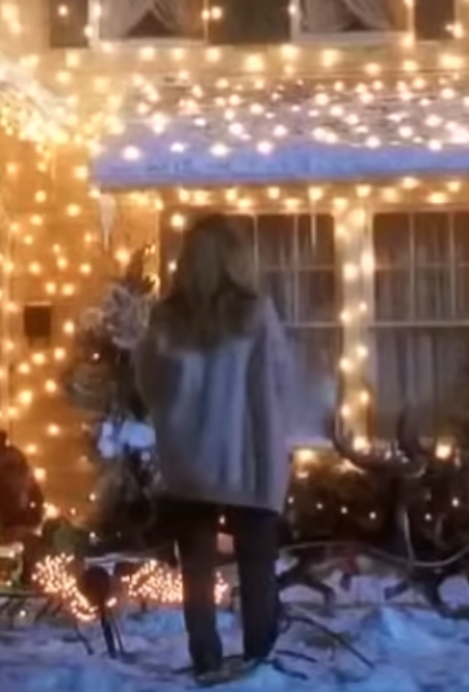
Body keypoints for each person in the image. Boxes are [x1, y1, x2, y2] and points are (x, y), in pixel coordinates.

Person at [134, 215, 296, 683]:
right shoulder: (256, 312)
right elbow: (277, 382)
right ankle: (257, 661)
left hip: (190, 461)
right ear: (235, 258)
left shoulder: (167, 318)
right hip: (248, 457)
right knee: (256, 562)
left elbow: (150, 384)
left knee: (198, 568)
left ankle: (206, 659)